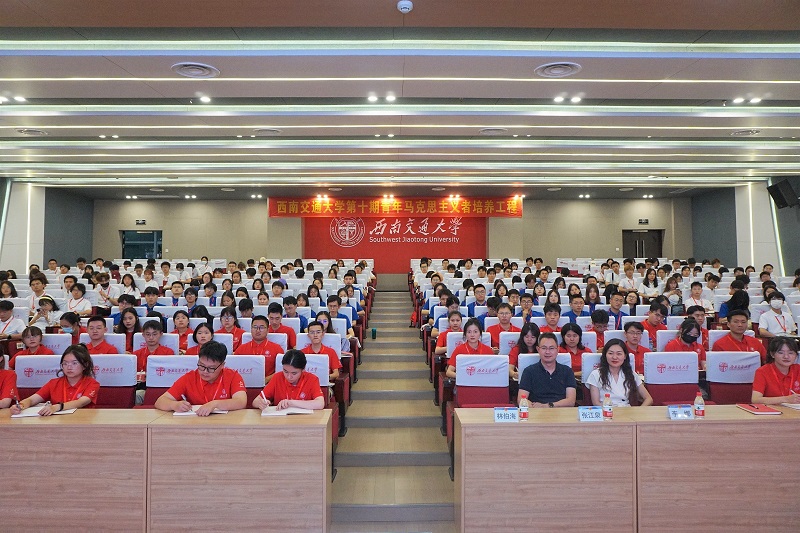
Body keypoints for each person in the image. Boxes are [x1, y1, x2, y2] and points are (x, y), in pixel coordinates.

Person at [154, 340, 247, 416]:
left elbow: (241, 402)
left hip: (225, 424)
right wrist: (174, 405)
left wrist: (215, 404)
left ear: (222, 365)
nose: (205, 371)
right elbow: (160, 401)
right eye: (201, 366)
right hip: (195, 423)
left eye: (211, 368)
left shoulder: (233, 376)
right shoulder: (189, 378)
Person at [10, 344, 100, 416]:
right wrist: (20, 406)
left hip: (83, 422)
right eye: (65, 363)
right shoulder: (54, 383)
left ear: (85, 365)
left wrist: (56, 407)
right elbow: (32, 400)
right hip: (58, 424)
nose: (69, 367)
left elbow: (81, 402)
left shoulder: (92, 383)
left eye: (74, 363)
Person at [586, 339, 653, 407]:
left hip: (627, 411)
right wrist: (613, 410)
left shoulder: (631, 374)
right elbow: (596, 403)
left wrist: (639, 411)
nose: (614, 357)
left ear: (625, 356)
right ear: (605, 355)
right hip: (606, 410)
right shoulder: (596, 374)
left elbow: (648, 399)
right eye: (610, 353)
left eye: (619, 354)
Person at [252, 350, 326, 411]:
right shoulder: (277, 377)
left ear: (303, 369)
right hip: (280, 421)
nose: (289, 376)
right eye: (285, 371)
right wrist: (261, 403)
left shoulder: (312, 379)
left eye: (294, 373)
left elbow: (320, 404)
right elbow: (255, 401)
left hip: (304, 420)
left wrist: (291, 403)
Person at [518, 333, 577, 408]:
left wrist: (548, 406)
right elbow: (521, 399)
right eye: (544, 348)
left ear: (558, 350)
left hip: (561, 411)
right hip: (536, 411)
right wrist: (535, 408)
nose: (547, 352)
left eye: (551, 348)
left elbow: (571, 401)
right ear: (538, 349)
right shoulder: (529, 371)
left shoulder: (567, 371)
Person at [751, 337, 800, 405]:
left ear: (796, 355)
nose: (786, 356)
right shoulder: (762, 371)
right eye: (781, 353)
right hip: (772, 410)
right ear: (772, 354)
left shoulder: (798, 369)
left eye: (790, 353)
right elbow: (755, 399)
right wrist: (786, 399)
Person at [235, 314, 283, 381]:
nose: (258, 330)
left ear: (268, 330)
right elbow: (234, 369)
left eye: (261, 327)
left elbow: (282, 370)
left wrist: (267, 379)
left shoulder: (277, 349)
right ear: (251, 329)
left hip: (269, 384)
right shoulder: (241, 349)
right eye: (255, 327)